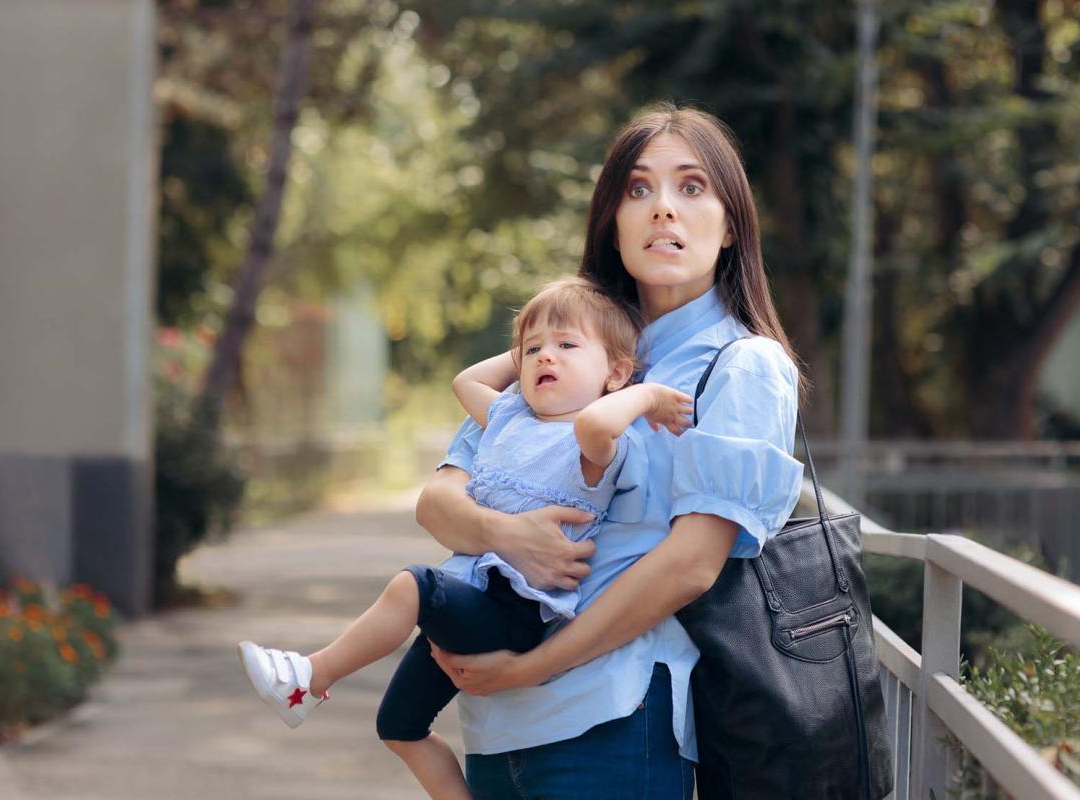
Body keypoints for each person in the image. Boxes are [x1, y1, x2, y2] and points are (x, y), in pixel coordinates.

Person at [416, 102, 805, 799]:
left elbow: (690, 565)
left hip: (611, 720)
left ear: (730, 227)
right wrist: (509, 534)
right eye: (637, 189)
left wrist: (534, 667)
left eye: (691, 188)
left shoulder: (742, 366)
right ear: (612, 222)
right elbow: (440, 501)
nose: (662, 210)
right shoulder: (567, 347)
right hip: (494, 724)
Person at [237, 276, 695, 800]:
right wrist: (535, 343)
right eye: (534, 350)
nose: (547, 357)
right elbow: (465, 381)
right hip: (473, 596)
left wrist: (647, 393)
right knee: (398, 727)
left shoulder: (599, 445)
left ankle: (311, 677)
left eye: (567, 346)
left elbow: (596, 421)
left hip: (513, 608)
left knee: (415, 586)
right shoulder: (509, 418)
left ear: (615, 372)